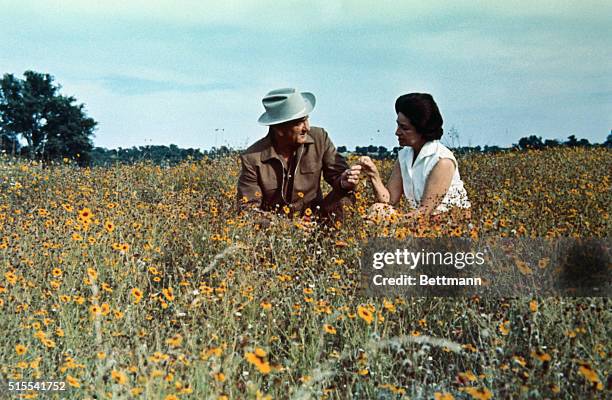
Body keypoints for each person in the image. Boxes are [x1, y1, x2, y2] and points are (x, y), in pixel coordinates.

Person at [237, 88, 361, 223]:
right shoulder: (252, 158)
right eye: (299, 122)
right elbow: (247, 209)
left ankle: (336, 241)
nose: (306, 128)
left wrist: (343, 182)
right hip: (278, 232)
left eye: (307, 119)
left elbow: (338, 175)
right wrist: (287, 226)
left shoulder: (319, 138)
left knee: (345, 196)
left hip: (319, 220)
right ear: (279, 129)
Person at [359, 93, 471, 222]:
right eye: (398, 125)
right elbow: (389, 200)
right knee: (378, 209)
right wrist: (373, 175)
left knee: (376, 218)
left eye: (404, 128)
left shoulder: (442, 161)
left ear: (422, 129)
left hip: (449, 225)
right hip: (420, 222)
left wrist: (390, 222)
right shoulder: (405, 155)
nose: (397, 132)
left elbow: (424, 212)